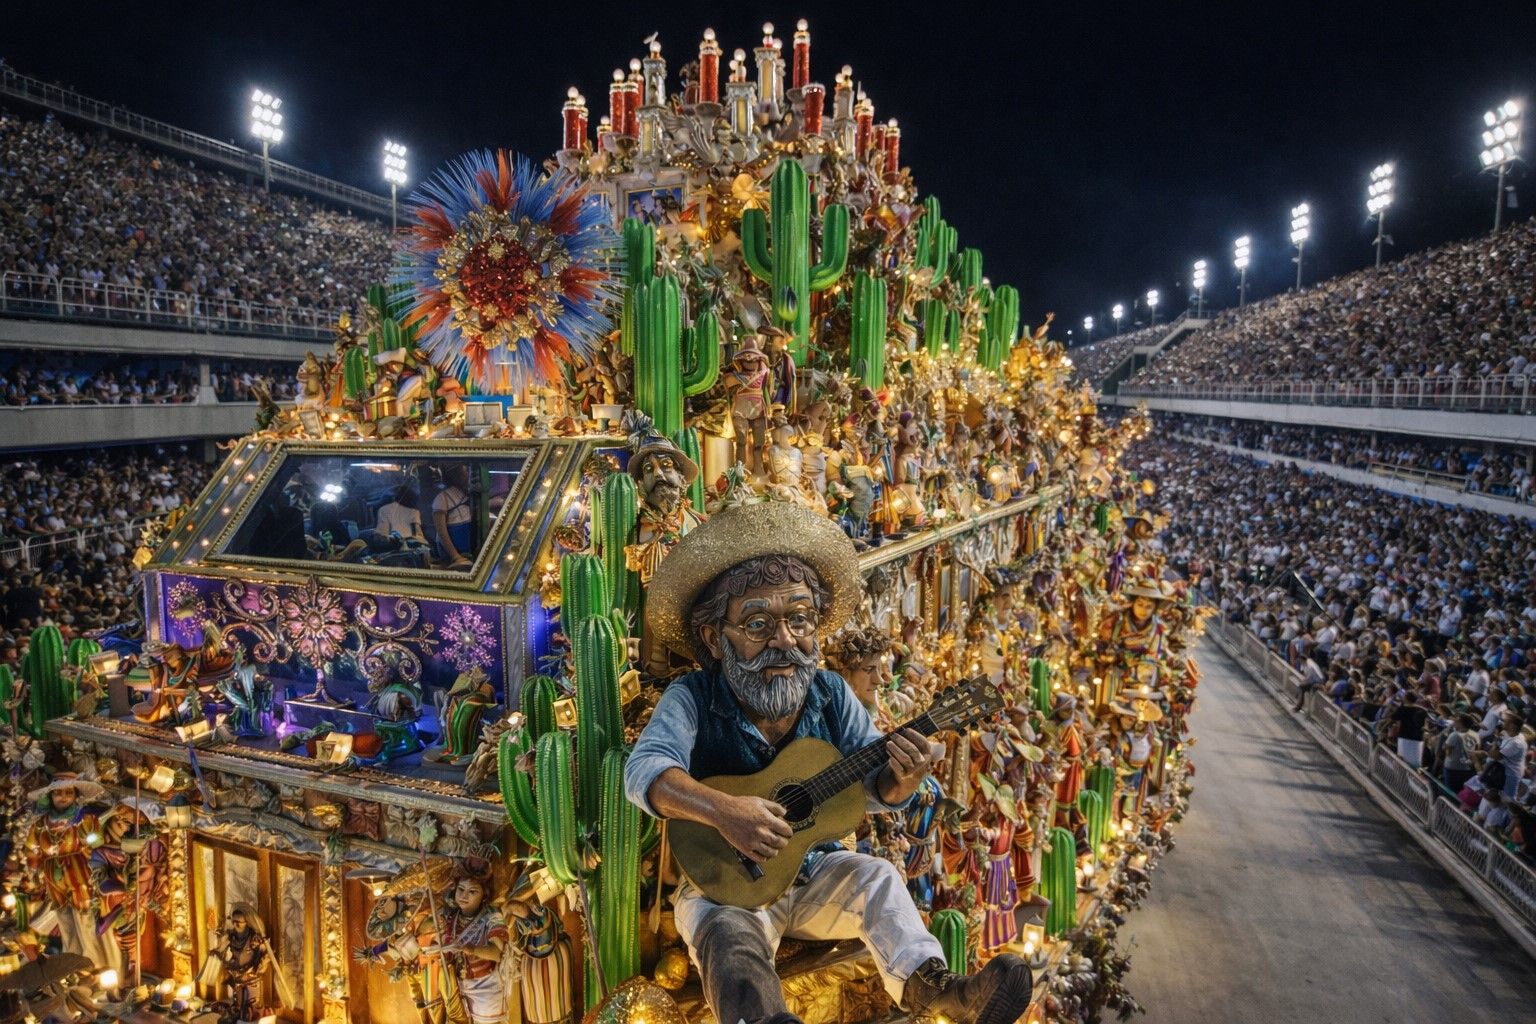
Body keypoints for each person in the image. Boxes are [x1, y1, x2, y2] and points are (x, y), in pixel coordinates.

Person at [625, 502, 1033, 1024]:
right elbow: (644, 772)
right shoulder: (693, 697)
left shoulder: (829, 693)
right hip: (728, 886)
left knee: (880, 879)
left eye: (799, 619)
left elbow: (869, 787)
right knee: (727, 936)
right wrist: (724, 812)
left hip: (814, 873)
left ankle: (943, 993)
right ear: (714, 637)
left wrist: (899, 779)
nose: (784, 641)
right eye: (757, 623)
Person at [433, 465, 475, 567]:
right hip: (453, 556)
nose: (468, 476)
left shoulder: (468, 493)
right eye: (465, 474)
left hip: (469, 551)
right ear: (456, 476)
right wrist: (455, 556)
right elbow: (441, 532)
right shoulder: (442, 498)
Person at [1387, 690, 1429, 767]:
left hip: (1404, 737)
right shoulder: (1422, 710)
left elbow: (1392, 718)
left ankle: (1401, 777)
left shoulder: (1402, 709)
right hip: (1418, 738)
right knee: (1415, 762)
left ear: (1406, 699)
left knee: (1402, 761)